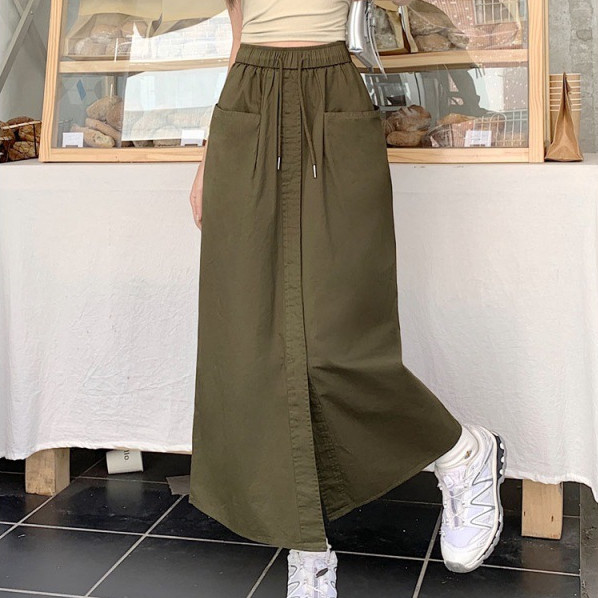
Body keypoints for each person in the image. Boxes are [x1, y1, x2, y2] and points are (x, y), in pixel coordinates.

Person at [188, 1, 507, 596]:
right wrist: (208, 159)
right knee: (253, 340)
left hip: (331, 93)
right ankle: (307, 550)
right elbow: (239, 37)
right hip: (246, 108)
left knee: (337, 339)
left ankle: (461, 451)